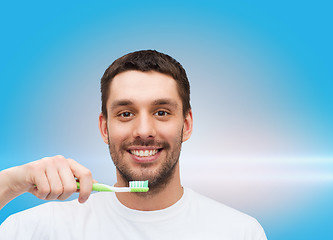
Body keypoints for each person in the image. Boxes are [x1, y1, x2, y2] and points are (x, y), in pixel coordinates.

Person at [0, 50, 267, 239]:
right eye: (126, 113)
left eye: (161, 112)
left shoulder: (239, 232)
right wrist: (11, 183)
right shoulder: (39, 229)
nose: (143, 131)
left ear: (186, 125)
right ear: (105, 128)